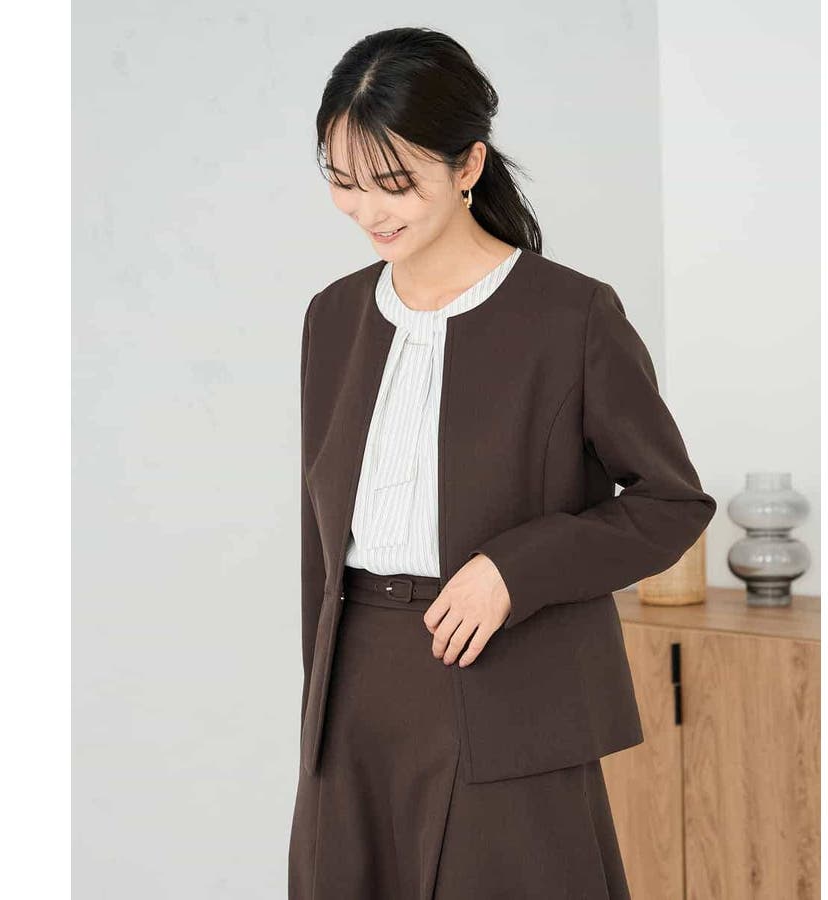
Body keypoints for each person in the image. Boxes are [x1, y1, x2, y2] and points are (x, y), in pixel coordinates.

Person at [289, 26, 716, 900]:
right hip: (356, 694)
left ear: (468, 165)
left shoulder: (572, 317)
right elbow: (319, 540)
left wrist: (512, 572)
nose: (368, 210)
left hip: (507, 682)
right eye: (343, 180)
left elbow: (672, 502)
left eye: (394, 182)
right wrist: (320, 710)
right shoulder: (332, 318)